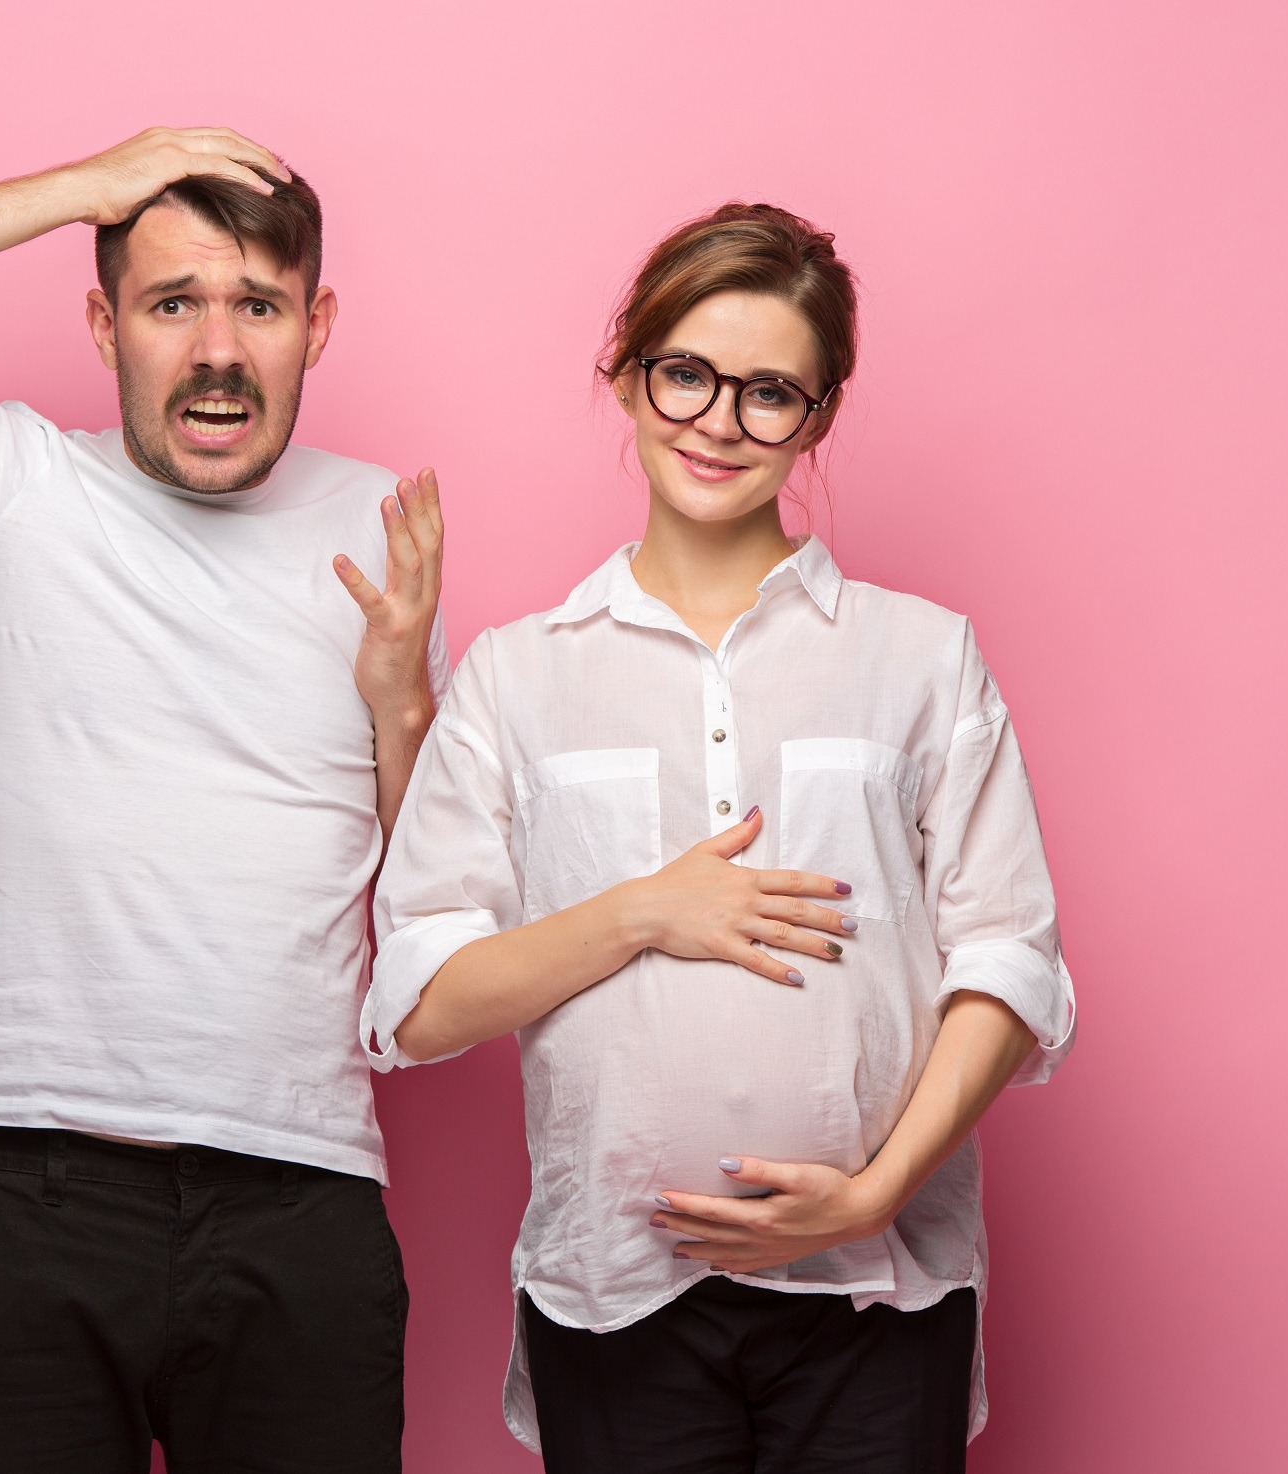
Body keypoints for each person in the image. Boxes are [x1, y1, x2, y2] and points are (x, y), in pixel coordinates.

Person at [0, 127, 445, 1474]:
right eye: (173, 303)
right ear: (105, 321)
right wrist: (79, 190)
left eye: (259, 305)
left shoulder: (379, 532)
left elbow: (432, 933)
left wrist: (403, 704)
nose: (218, 349)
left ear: (316, 323)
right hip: (25, 1185)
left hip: (304, 1195)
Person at [365, 203, 1076, 1473]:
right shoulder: (517, 678)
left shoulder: (919, 655)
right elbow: (418, 1001)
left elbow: (1009, 962)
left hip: (879, 1290)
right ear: (627, 371)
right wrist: (640, 910)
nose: (717, 422)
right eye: (686, 373)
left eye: (769, 393)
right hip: (615, 1291)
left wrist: (870, 1192)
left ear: (818, 416)